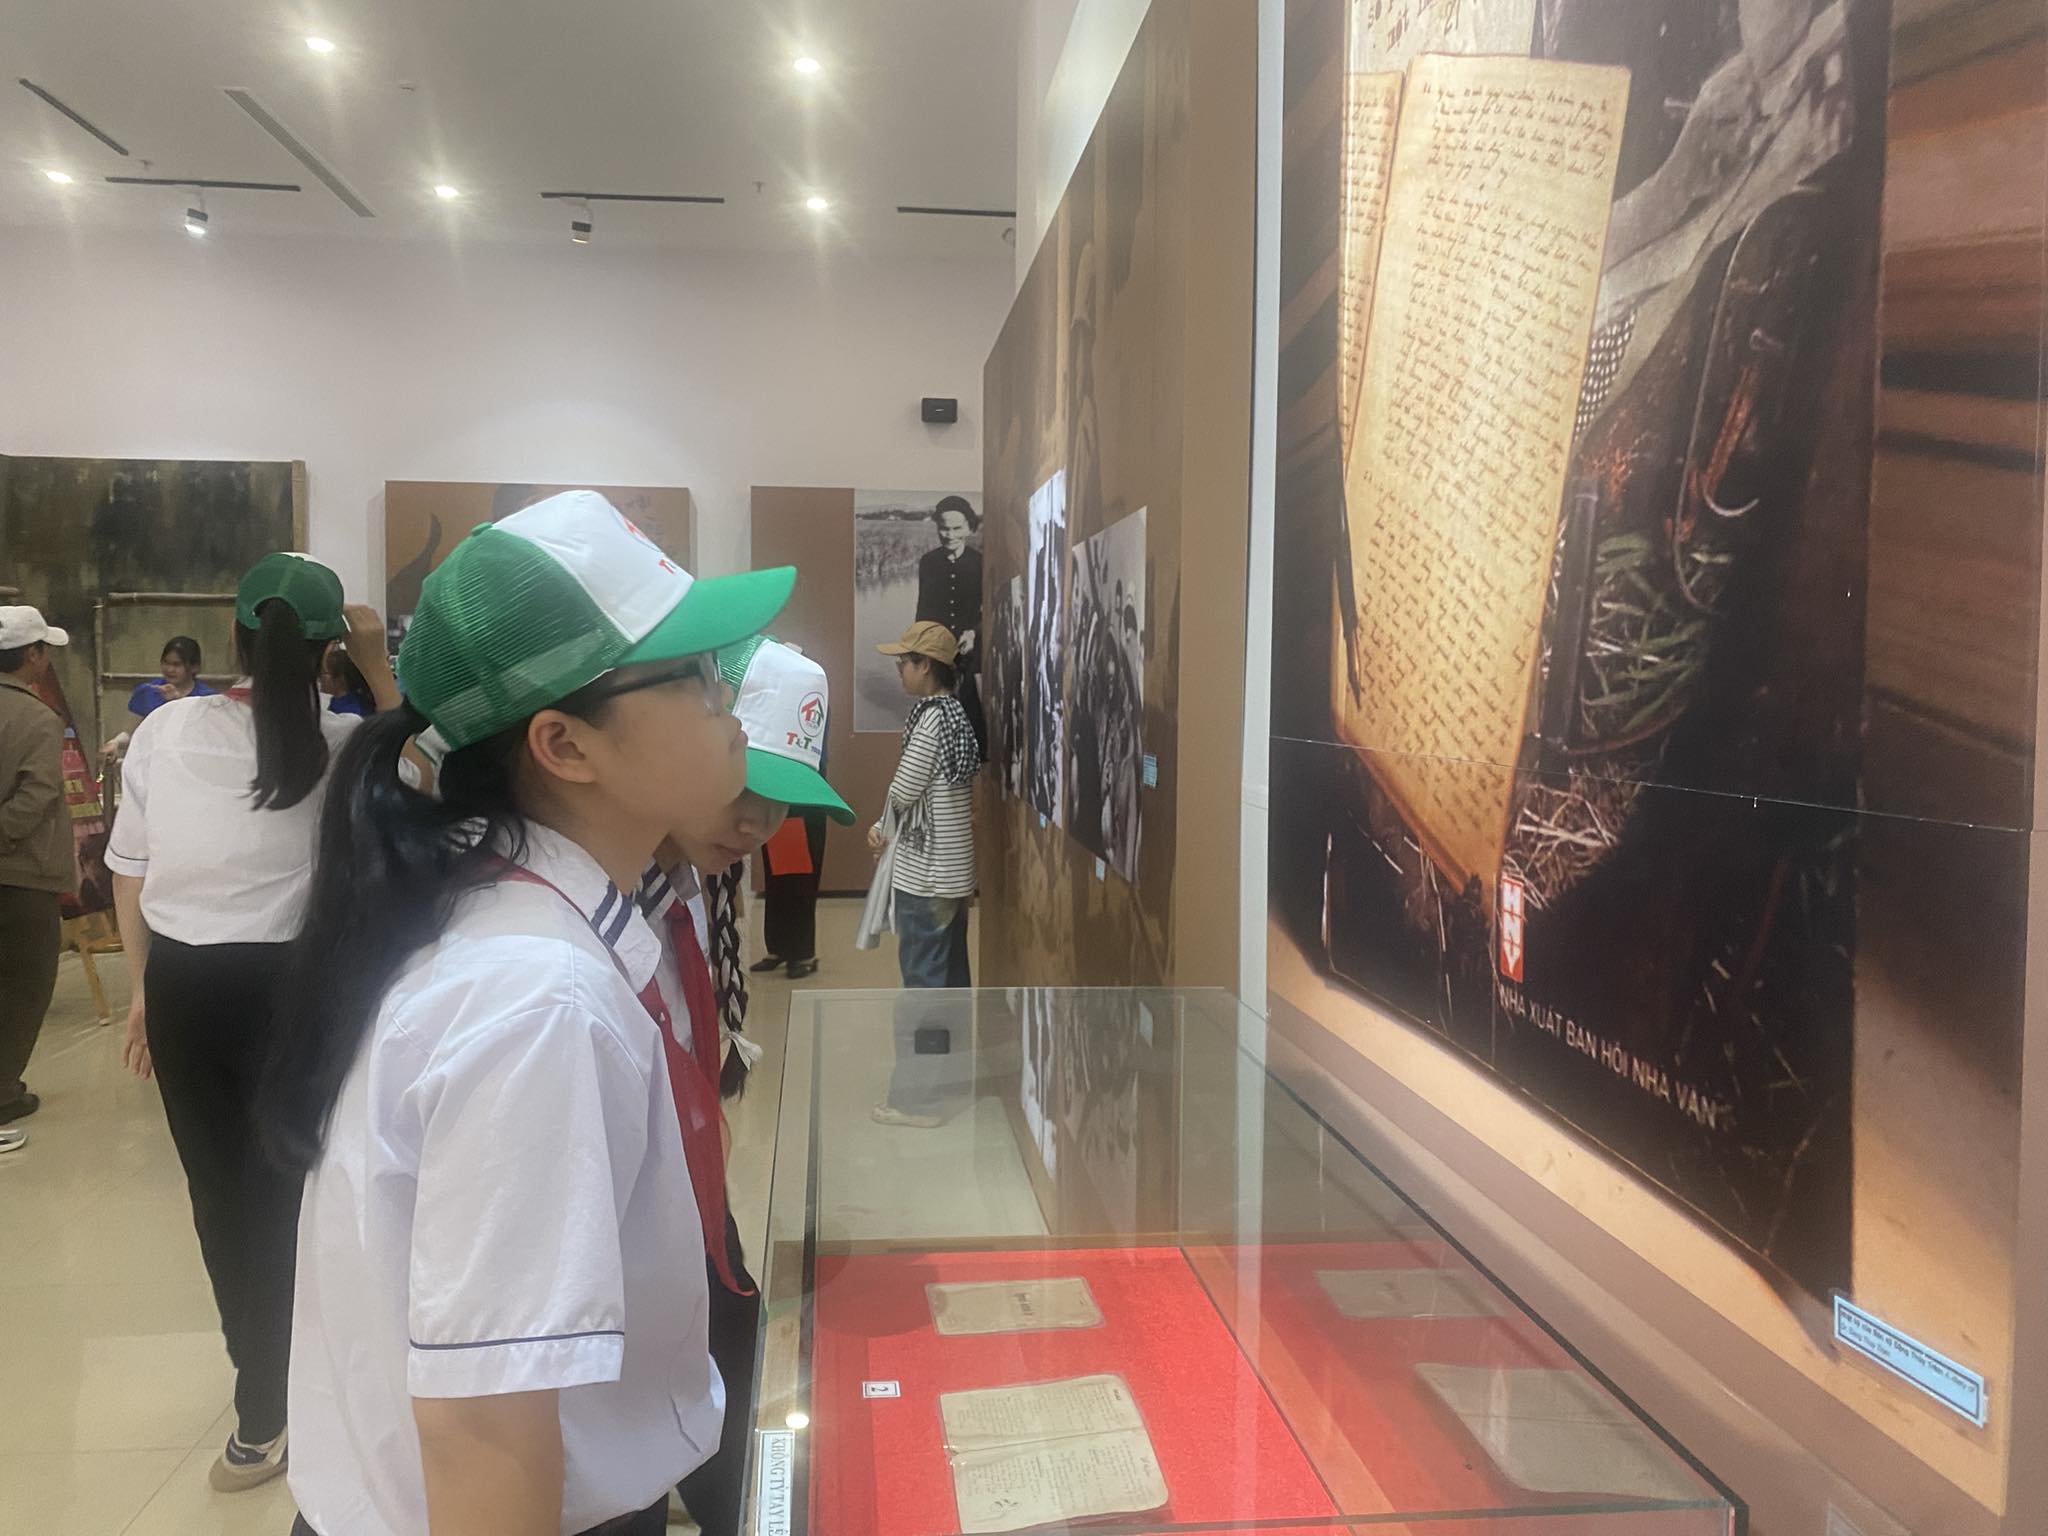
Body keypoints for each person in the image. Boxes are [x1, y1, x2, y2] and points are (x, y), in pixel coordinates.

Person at [258, 490, 794, 1536]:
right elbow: (482, 1435)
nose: (725, 696)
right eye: (690, 673)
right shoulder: (537, 999)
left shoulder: (504, 918)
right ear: (564, 745)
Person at [105, 556, 397, 1493]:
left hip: (185, 988)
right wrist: (378, 665)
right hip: (298, 989)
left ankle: (263, 1409)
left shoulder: (164, 730)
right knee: (311, 1191)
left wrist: (143, 991)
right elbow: (429, 780)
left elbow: (130, 874)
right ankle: (336, 1393)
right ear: (328, 653)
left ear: (232, 636)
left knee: (222, 1200)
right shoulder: (349, 741)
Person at [640, 635, 852, 1536]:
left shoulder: (687, 883)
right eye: (744, 787)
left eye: (783, 801)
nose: (761, 823)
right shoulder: (593, 911)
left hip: (688, 1197)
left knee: (733, 1332)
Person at [0, 606, 75, 1139]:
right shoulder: (38, 718)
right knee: (22, 986)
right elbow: (38, 793)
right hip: (21, 873)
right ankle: (3, 1092)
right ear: (33, 655)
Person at [914, 496, 986, 756]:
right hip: (938, 648)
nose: (950, 535)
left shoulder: (980, 562)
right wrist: (920, 648)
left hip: (973, 644)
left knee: (971, 702)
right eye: (944, 528)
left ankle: (975, 755)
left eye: (957, 528)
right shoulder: (928, 562)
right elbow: (923, 609)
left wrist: (974, 632)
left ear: (969, 528)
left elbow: (990, 609)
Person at [102, 635, 216, 762]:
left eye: (177, 665)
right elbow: (131, 732)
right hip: (152, 765)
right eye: (166, 662)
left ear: (194, 667)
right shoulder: (147, 691)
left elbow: (208, 741)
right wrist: (115, 743)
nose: (170, 669)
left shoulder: (207, 699)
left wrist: (177, 703)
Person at [319, 642, 377, 717]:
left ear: (340, 680)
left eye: (324, 673)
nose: (320, 678)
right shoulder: (335, 701)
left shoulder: (351, 710)